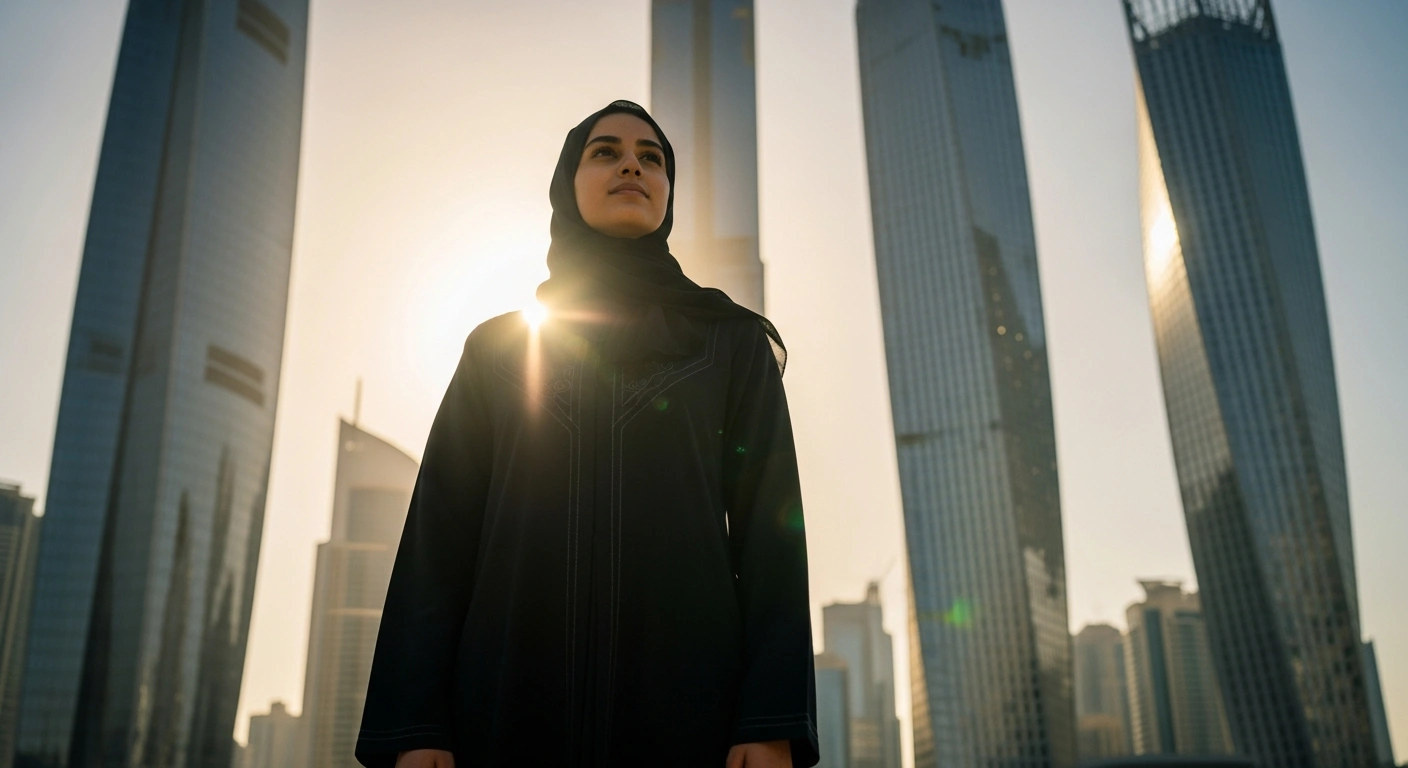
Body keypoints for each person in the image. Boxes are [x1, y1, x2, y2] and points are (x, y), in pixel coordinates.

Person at [355, 100, 817, 768]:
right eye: (605, 152)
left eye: (652, 158)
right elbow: (438, 541)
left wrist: (769, 721)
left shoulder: (733, 345)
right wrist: (416, 727)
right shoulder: (497, 350)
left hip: (691, 717)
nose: (632, 165)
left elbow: (773, 541)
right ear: (566, 186)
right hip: (502, 711)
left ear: (669, 193)